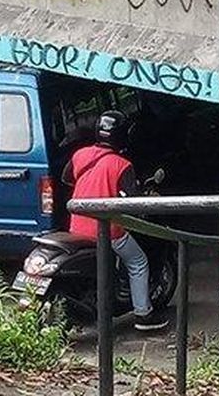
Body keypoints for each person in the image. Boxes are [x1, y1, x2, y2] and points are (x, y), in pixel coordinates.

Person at [62, 110, 168, 331]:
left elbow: (66, 179)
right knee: (138, 262)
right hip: (109, 230)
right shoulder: (122, 164)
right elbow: (133, 203)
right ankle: (143, 314)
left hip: (76, 224)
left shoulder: (79, 154)